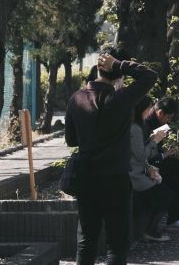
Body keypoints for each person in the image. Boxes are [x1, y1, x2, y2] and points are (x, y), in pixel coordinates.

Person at [65, 48, 157, 265]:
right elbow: (149, 76)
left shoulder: (75, 99)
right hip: (116, 177)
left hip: (86, 177)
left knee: (86, 239)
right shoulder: (121, 99)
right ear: (119, 76)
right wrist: (120, 64)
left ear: (97, 69)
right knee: (117, 243)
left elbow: (71, 140)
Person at [130, 97, 179, 240]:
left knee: (169, 184)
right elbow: (141, 156)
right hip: (135, 175)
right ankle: (149, 231)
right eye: (148, 109)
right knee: (164, 194)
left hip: (141, 170)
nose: (149, 112)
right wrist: (155, 141)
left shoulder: (139, 126)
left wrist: (158, 150)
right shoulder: (135, 128)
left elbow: (144, 155)